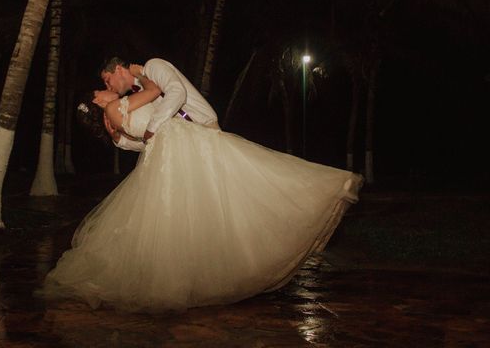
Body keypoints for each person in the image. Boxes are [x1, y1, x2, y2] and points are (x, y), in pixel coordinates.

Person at [43, 66, 363, 313]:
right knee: (234, 184)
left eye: (106, 85)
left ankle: (179, 280)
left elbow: (143, 140)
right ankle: (322, 188)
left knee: (180, 217)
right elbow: (157, 91)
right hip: (179, 150)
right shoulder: (117, 108)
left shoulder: (118, 130)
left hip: (170, 157)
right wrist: (141, 72)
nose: (107, 89)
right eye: (102, 90)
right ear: (98, 103)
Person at [99, 57, 219, 151]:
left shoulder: (152, 66)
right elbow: (152, 142)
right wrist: (121, 140)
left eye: (108, 80)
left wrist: (151, 128)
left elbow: (177, 92)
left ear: (118, 69)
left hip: (207, 132)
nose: (108, 88)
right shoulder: (141, 95)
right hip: (185, 147)